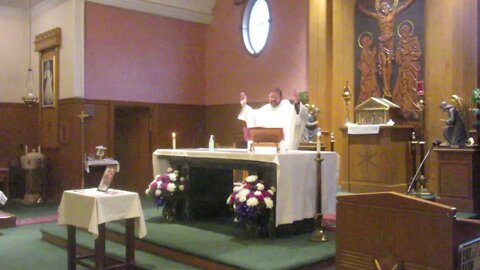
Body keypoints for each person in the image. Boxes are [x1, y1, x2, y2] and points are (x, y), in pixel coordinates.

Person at [357, 0, 415, 98]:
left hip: (390, 41)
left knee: (389, 63)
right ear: (380, 9)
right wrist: (360, 7)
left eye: (386, 6)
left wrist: (410, 2)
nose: (384, 8)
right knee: (383, 63)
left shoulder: (393, 14)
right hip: (382, 41)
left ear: (390, 7)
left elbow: (404, 6)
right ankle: (386, 89)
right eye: (382, 7)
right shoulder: (379, 17)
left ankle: (388, 86)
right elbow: (369, 13)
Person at [238, 88, 308, 150]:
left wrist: (297, 103)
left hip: (282, 147)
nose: (273, 99)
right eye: (271, 97)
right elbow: (252, 115)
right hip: (266, 148)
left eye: (275, 97)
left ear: (281, 97)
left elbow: (299, 116)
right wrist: (244, 105)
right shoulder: (265, 109)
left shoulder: (287, 108)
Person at [393, 22, 421, 120]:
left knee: (411, 87)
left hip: (411, 68)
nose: (404, 32)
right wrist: (399, 53)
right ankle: (403, 109)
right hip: (403, 68)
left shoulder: (414, 40)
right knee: (401, 88)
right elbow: (397, 59)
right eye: (402, 31)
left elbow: (418, 54)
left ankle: (412, 108)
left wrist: (408, 52)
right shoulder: (399, 43)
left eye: (406, 30)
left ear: (409, 31)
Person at [357, 32, 381, 104]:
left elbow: (372, 62)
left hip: (372, 73)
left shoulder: (369, 51)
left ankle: (374, 101)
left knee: (374, 87)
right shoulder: (364, 50)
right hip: (367, 75)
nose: (368, 42)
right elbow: (368, 61)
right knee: (368, 89)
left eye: (369, 40)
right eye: (366, 40)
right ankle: (367, 102)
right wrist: (373, 54)